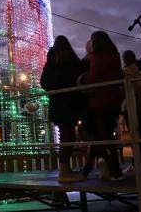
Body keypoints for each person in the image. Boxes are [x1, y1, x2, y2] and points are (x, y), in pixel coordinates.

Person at [40, 35, 86, 182]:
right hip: (70, 103)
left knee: (65, 136)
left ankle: (65, 169)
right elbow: (78, 77)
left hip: (57, 103)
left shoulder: (51, 62)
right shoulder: (72, 61)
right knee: (68, 136)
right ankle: (65, 171)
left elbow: (44, 82)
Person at [80, 31, 124, 180]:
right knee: (104, 134)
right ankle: (95, 167)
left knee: (102, 136)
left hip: (99, 100)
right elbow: (118, 76)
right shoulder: (115, 54)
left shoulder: (95, 57)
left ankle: (114, 170)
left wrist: (82, 79)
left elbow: (94, 78)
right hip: (112, 100)